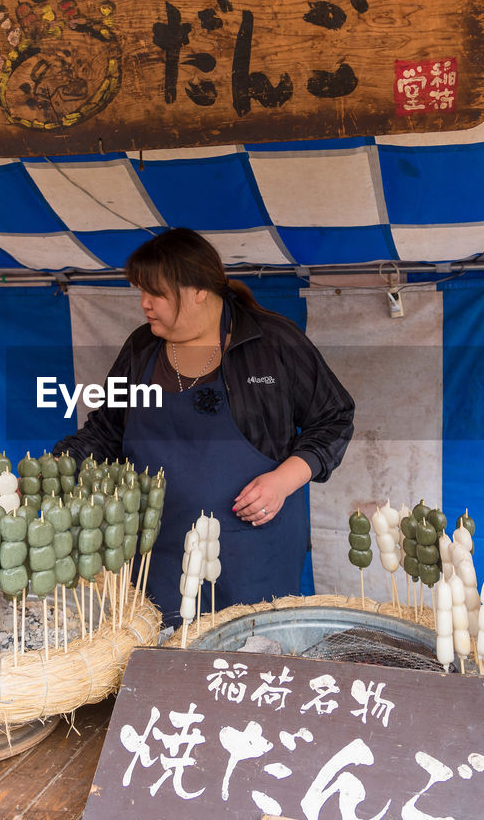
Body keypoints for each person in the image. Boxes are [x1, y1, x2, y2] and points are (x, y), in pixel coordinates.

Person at [55, 228, 354, 622]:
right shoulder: (141, 348)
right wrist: (56, 469)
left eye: (156, 293)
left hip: (253, 552)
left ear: (199, 289)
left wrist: (283, 480)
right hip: (157, 552)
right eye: (139, 291)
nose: (144, 304)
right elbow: (107, 430)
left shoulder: (272, 343)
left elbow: (333, 418)